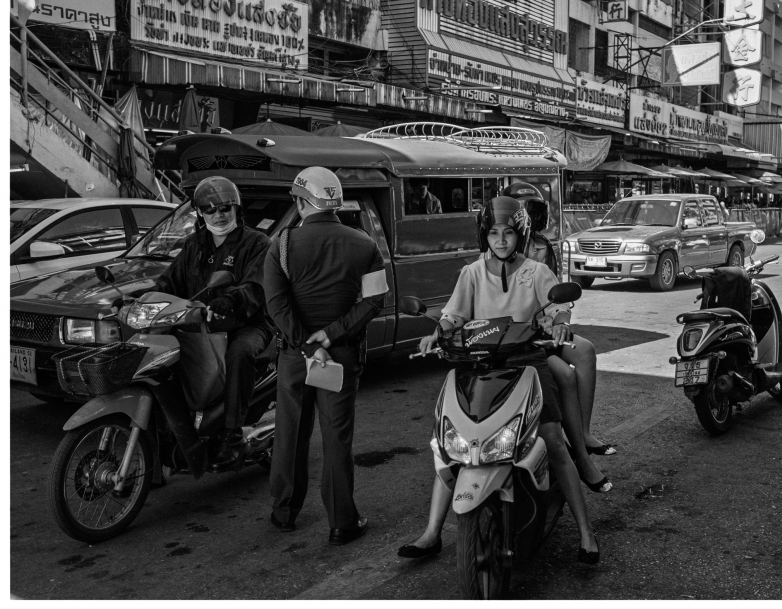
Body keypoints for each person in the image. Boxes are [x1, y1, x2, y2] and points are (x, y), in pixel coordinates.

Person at [398, 197, 601, 565]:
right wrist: (437, 332)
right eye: (493, 233)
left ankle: (586, 533)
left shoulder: (538, 273)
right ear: (484, 236)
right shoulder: (472, 273)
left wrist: (560, 325)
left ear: (520, 234)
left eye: (508, 233)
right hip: (478, 366)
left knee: (553, 440)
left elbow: (559, 308)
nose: (501, 240)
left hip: (527, 362)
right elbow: (453, 315)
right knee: (447, 444)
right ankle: (431, 533)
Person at [263, 166, 388, 544]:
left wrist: (305, 343)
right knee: (336, 438)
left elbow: (276, 307)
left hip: (294, 358)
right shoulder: (364, 243)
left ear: (302, 202)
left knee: (289, 435)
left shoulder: (281, 245)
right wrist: (331, 335)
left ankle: (284, 513)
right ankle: (341, 523)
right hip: (340, 357)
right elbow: (375, 300)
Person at [155, 176, 273, 471]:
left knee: (239, 353)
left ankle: (232, 435)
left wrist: (232, 300)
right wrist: (138, 299)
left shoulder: (257, 242)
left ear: (236, 209)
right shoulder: (194, 244)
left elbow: (257, 287)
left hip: (249, 323)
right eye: (210, 210)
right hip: (201, 323)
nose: (218, 215)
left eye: (224, 208)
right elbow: (170, 282)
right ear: (200, 213)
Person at [499, 182, 614, 457]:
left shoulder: (541, 246)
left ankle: (583, 434)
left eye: (531, 212)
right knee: (563, 374)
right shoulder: (496, 251)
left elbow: (553, 294)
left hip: (542, 330)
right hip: (512, 337)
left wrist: (560, 321)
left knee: (585, 351)